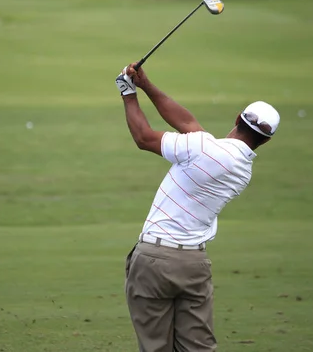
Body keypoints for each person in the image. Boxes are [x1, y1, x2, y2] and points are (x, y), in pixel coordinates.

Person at [115, 63, 280, 352]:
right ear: (265, 141)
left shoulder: (203, 148)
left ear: (237, 118)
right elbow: (189, 125)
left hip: (154, 260)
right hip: (194, 266)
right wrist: (146, 85)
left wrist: (128, 92)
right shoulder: (240, 169)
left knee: (156, 348)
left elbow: (144, 138)